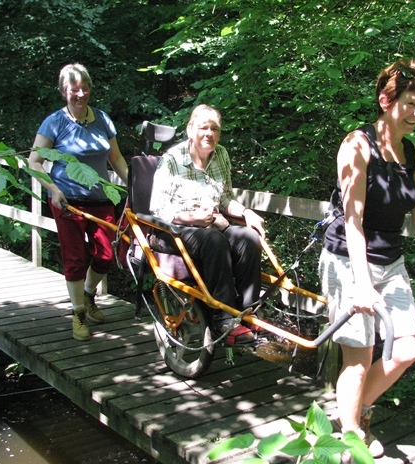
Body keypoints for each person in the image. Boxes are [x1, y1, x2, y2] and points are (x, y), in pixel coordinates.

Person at [318, 58, 415, 464]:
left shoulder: (412, 152)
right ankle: (349, 440)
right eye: (410, 103)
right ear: (385, 100)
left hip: (391, 261)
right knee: (358, 357)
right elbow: (353, 219)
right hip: (348, 258)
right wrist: (362, 283)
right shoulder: (356, 145)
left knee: (406, 349)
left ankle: (353, 412)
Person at [149, 104, 265, 345]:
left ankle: (247, 311)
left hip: (212, 225)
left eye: (215, 129)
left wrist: (246, 212)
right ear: (191, 129)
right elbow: (158, 208)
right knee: (214, 239)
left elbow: (225, 200)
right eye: (203, 127)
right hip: (174, 229)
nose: (209, 133)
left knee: (249, 238)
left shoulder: (221, 154)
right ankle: (224, 319)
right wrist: (193, 219)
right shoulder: (172, 159)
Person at [28, 63, 128, 342]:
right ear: (63, 92)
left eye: (85, 88)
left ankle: (88, 295)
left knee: (106, 256)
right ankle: (78, 314)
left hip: (100, 198)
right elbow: (34, 161)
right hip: (67, 202)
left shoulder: (103, 120)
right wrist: (54, 189)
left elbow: (116, 158)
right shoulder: (55, 122)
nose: (80, 94)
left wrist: (134, 184)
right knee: (74, 258)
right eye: (74, 90)